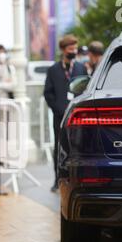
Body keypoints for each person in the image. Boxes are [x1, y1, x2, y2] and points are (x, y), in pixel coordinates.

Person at [44, 34, 88, 193]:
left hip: (78, 117)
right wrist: (58, 109)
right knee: (59, 148)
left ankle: (78, 179)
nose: (74, 51)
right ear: (63, 50)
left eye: (75, 49)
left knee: (78, 148)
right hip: (59, 117)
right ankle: (57, 180)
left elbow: (85, 91)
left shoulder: (81, 68)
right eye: (70, 49)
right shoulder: (54, 70)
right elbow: (48, 93)